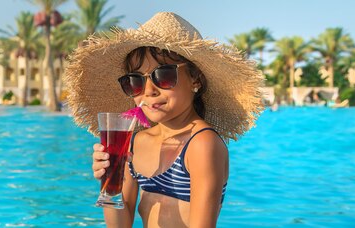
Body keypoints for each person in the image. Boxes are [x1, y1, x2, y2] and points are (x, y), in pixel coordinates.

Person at [63, 12, 264, 227]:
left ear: (195, 78)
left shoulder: (201, 144)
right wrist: (110, 184)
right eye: (136, 81)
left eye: (164, 75)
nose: (149, 91)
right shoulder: (135, 142)